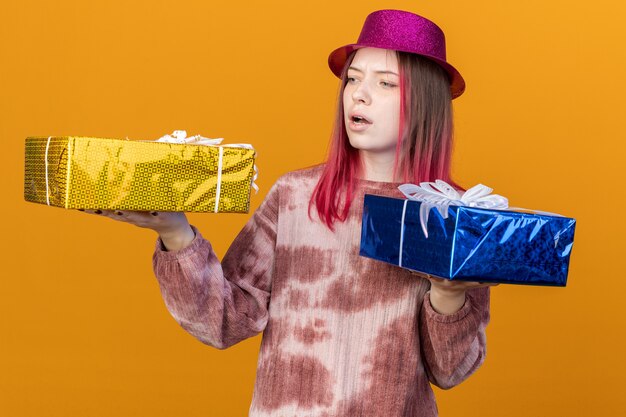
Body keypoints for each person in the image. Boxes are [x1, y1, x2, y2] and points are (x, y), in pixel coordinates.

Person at [83, 9, 497, 417]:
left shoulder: (455, 217)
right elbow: (223, 320)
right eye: (353, 78)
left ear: (427, 102)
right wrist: (176, 235)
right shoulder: (296, 196)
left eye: (386, 83)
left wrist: (448, 294)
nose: (358, 93)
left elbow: (450, 371)